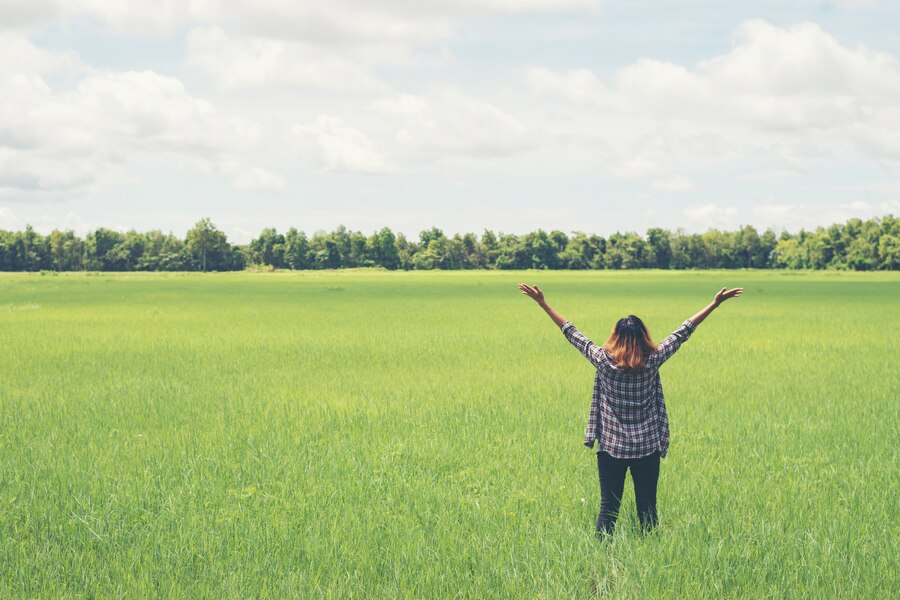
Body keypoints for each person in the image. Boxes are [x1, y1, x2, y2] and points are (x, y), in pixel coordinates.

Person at [518, 283, 743, 537]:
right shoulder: (653, 360)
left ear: (615, 337)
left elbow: (571, 332)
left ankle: (603, 555)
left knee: (608, 509)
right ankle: (651, 556)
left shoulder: (602, 360)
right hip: (647, 447)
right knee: (647, 510)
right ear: (644, 337)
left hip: (612, 449)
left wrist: (543, 304)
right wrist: (714, 304)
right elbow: (683, 332)